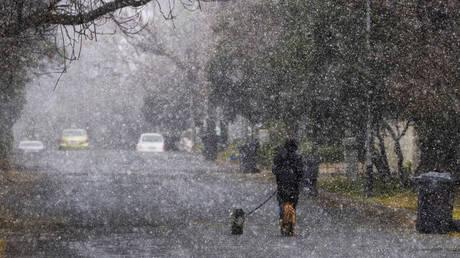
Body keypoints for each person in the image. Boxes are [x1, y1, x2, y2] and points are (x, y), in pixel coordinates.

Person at [272, 139, 304, 235]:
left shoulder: (279, 157)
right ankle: (291, 223)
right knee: (293, 204)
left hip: (282, 184)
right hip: (294, 185)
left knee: (282, 202)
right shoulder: (298, 157)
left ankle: (283, 221)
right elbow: (301, 172)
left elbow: (274, 170)